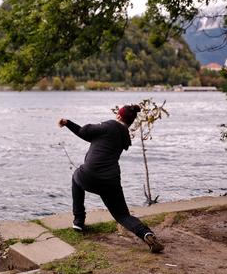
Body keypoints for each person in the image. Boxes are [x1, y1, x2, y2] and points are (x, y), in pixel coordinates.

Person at [58, 104, 164, 253]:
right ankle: (146, 233)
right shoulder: (125, 136)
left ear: (119, 116)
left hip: (89, 175)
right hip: (110, 180)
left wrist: (67, 123)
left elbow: (84, 132)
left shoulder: (109, 126)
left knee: (76, 177)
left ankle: (78, 220)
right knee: (122, 215)